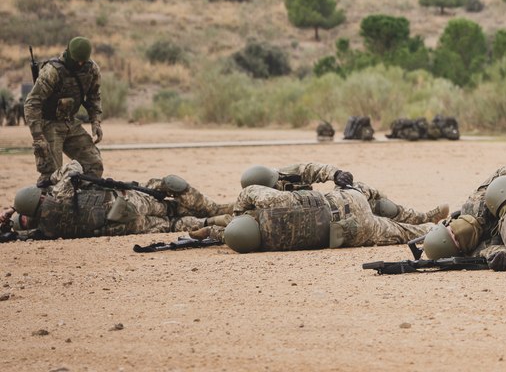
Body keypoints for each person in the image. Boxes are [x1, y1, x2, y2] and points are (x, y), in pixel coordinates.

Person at [2, 160, 231, 240]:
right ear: (39, 196)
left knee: (173, 225)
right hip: (129, 201)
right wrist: (47, 182)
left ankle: (215, 221)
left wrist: (11, 222)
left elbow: (20, 231)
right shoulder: (59, 194)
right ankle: (213, 209)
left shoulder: (44, 230)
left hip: (124, 226)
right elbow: (73, 167)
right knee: (169, 185)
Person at [222, 180, 438, 253]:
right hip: (346, 201)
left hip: (353, 231)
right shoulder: (275, 202)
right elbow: (249, 190)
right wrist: (237, 214)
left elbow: (227, 234)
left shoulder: (270, 245)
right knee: (370, 194)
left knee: (402, 232)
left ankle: (435, 228)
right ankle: (419, 214)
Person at [239, 162, 448, 225]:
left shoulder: (285, 174)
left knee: (374, 199)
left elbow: (310, 169)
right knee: (383, 225)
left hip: (326, 202)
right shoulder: (258, 205)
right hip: (323, 222)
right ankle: (421, 225)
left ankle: (422, 218)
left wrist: (336, 174)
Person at [23, 37, 105, 184]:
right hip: (49, 124)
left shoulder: (91, 69)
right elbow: (32, 103)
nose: (80, 64)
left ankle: (82, 199)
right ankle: (48, 203)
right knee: (52, 175)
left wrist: (96, 122)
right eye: (77, 61)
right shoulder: (52, 71)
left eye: (83, 61)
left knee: (93, 163)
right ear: (68, 53)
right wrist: (38, 137)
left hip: (70, 122)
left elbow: (94, 96)